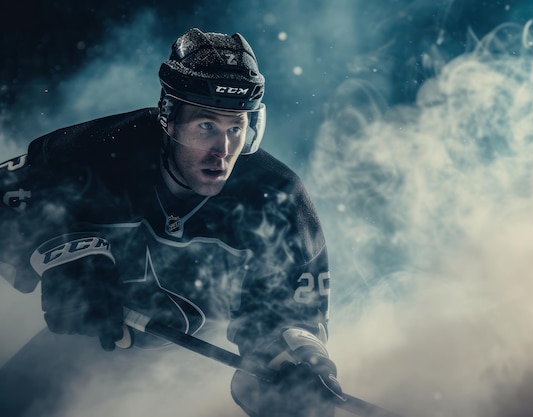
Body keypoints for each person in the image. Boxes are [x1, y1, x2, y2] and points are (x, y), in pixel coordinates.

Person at [0, 28, 344, 417]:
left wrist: (301, 365)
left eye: (236, 127)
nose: (224, 150)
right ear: (168, 118)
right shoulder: (92, 153)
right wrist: (60, 253)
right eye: (206, 126)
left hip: (193, 379)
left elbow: (292, 319)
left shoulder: (280, 201)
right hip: (81, 352)